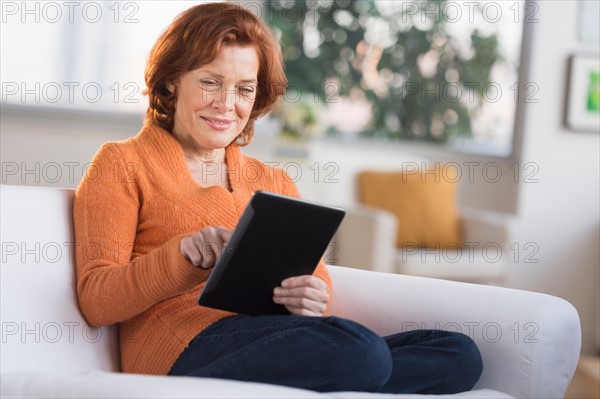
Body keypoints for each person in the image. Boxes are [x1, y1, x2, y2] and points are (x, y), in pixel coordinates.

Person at [74, 2, 482, 394]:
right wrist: (180, 258)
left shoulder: (272, 180)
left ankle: (325, 379)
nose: (226, 105)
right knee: (362, 352)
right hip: (184, 347)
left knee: (458, 354)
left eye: (244, 89)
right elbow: (97, 299)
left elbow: (315, 278)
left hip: (274, 336)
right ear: (171, 80)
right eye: (210, 82)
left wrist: (313, 297)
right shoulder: (122, 163)